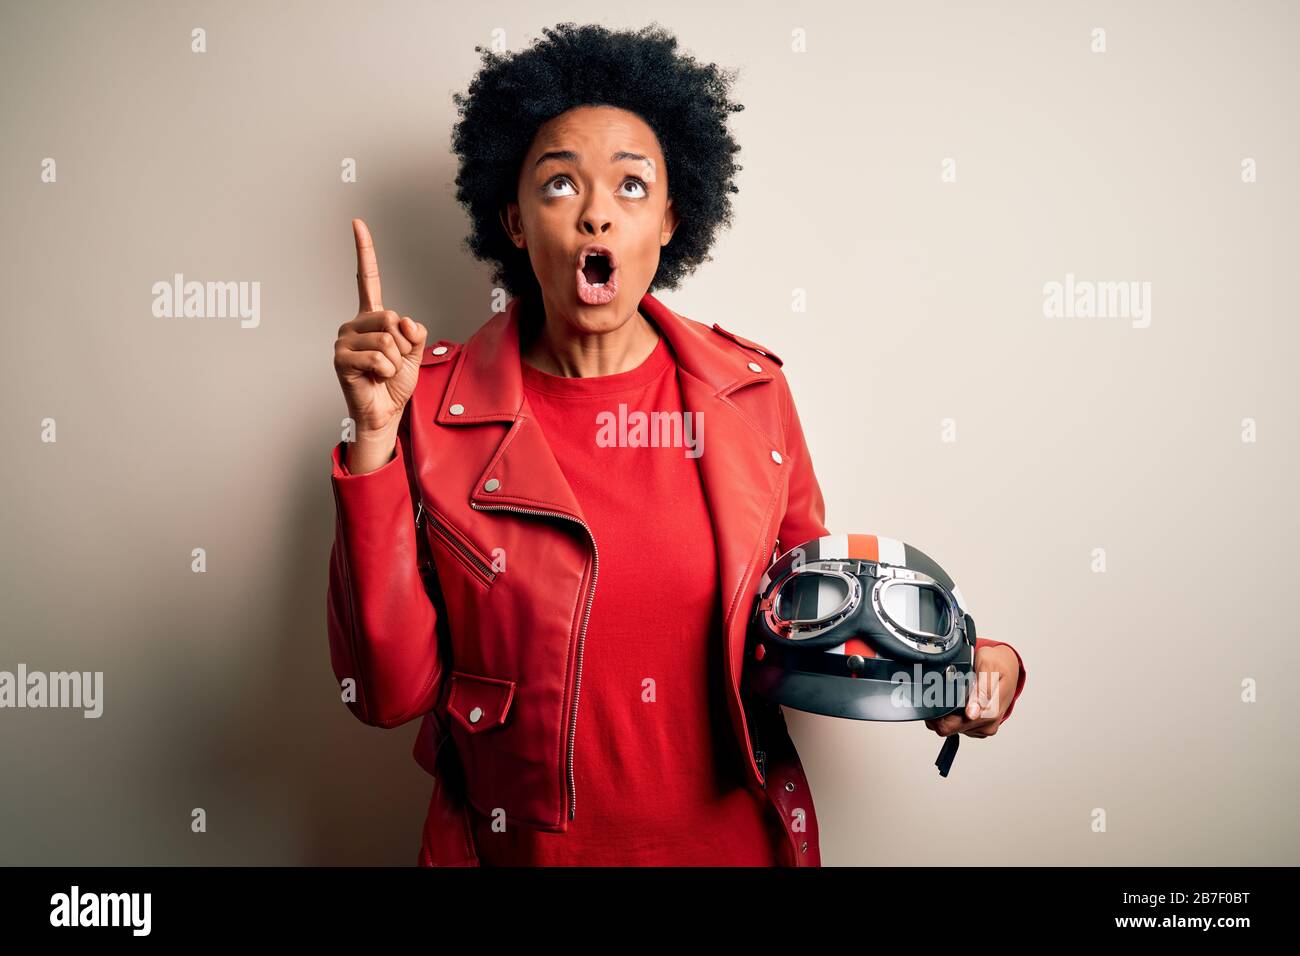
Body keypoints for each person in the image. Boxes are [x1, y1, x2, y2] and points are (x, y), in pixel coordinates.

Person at [327, 22, 1026, 867]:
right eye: (559, 185)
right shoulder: (426, 411)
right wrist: (372, 438)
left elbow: (811, 620)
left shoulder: (752, 394)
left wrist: (968, 667)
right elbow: (387, 695)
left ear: (670, 219)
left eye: (631, 186)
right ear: (514, 221)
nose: (595, 211)